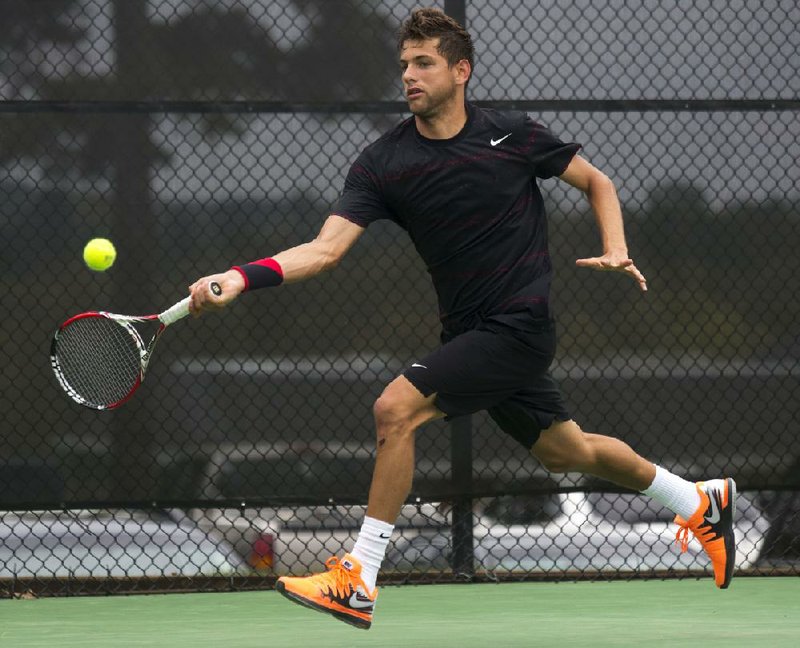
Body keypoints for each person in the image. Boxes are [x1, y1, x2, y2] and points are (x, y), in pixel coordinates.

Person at [188, 7, 736, 630]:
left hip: (521, 326)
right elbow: (324, 249)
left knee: (395, 409)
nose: (410, 77)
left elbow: (597, 182)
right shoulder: (383, 162)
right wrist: (240, 276)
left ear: (461, 70)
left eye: (424, 64)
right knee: (567, 451)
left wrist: (616, 246)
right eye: (404, 66)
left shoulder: (512, 135)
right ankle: (695, 498)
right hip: (471, 335)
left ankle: (358, 577)